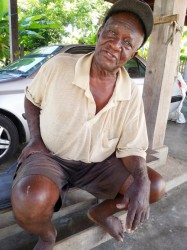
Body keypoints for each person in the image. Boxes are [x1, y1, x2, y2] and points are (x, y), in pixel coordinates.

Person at [11, 0, 165, 249]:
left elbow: (132, 147)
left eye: (127, 42)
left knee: (154, 186)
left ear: (134, 54)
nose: (115, 45)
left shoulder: (130, 94)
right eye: (112, 33)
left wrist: (142, 181)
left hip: (99, 164)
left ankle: (100, 213)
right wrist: (36, 139)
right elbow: (32, 99)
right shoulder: (59, 66)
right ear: (99, 33)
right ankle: (47, 235)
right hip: (51, 155)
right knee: (30, 200)